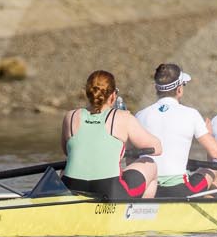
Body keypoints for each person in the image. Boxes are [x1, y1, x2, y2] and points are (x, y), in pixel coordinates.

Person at [62, 70, 160, 200]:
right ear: (113, 95)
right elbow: (157, 148)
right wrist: (128, 147)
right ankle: (140, 215)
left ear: (88, 93)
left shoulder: (71, 116)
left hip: (72, 187)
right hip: (109, 190)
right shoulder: (123, 117)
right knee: (150, 163)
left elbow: (67, 151)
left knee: (64, 169)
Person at [135, 62, 217, 192]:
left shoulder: (140, 115)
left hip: (148, 189)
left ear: (156, 88)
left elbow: (131, 159)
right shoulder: (191, 114)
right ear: (179, 90)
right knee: (212, 171)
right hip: (178, 190)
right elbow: (216, 153)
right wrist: (208, 134)